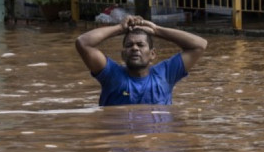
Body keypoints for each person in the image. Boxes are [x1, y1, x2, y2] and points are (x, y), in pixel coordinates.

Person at [75, 15, 208, 106]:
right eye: (129, 45)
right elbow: (83, 43)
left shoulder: (166, 74)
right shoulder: (112, 75)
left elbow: (199, 45)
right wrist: (120, 28)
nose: (134, 48)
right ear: (123, 55)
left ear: (152, 54)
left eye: (140, 45)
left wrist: (157, 30)